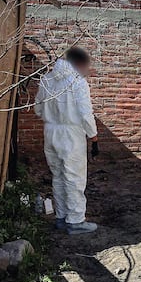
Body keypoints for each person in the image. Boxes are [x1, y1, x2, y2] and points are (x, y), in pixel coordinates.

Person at [34, 47, 99, 235]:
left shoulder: (46, 80)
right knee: (75, 178)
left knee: (59, 176)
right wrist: (93, 137)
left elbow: (38, 109)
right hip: (71, 133)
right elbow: (86, 114)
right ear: (78, 63)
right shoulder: (77, 83)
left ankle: (61, 217)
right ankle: (76, 220)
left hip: (50, 131)